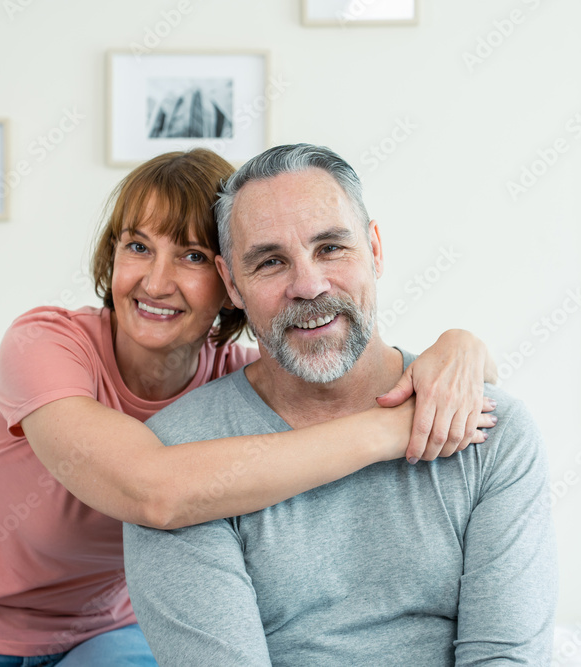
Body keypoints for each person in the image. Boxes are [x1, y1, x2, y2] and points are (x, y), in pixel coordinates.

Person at [0, 148, 499, 666]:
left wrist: (463, 348)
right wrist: (390, 432)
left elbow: (348, 372)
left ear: (229, 282)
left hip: (105, 635)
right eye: (137, 247)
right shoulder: (46, 344)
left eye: (191, 255)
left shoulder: (232, 382)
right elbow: (154, 493)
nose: (156, 280)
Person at [123, 144, 558, 666]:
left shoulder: (491, 429)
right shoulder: (179, 463)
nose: (308, 286)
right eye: (270, 262)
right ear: (232, 282)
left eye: (330, 248)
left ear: (375, 249)